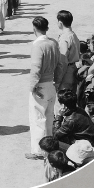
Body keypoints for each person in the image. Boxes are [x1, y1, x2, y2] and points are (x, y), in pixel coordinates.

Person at [26, 16, 64, 160]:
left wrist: (33, 86)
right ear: (47, 28)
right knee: (49, 118)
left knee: (37, 119)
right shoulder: (53, 43)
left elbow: (36, 68)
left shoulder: (38, 45)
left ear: (34, 28)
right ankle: (49, 148)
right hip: (51, 85)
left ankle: (38, 150)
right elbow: (60, 65)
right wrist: (58, 81)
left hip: (40, 85)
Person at [55, 10, 81, 101]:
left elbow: (63, 59)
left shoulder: (64, 38)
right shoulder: (73, 35)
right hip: (73, 68)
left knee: (63, 99)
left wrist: (58, 79)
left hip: (66, 71)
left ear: (60, 23)